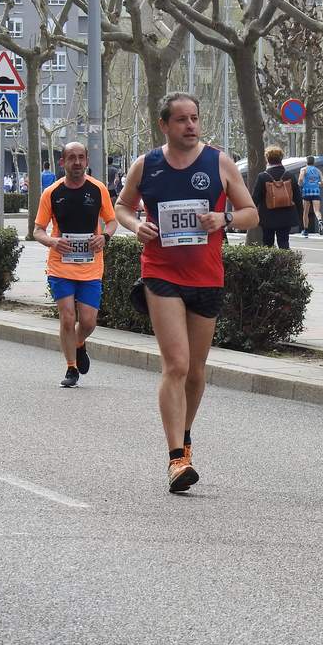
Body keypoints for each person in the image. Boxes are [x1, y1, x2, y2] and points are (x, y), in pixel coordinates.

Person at [114, 92, 258, 493]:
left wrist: (223, 217)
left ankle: (185, 436)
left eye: (194, 118)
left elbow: (251, 213)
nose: (190, 126)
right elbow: (122, 206)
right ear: (164, 124)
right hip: (161, 273)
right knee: (175, 365)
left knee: (195, 372)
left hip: (207, 276)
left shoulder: (219, 162)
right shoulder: (147, 165)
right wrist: (134, 225)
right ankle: (176, 458)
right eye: (181, 120)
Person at [32, 142, 118, 388]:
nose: (77, 162)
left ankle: (79, 343)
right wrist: (53, 242)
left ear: (87, 160)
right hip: (61, 265)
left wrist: (105, 237)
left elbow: (111, 222)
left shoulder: (98, 189)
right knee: (68, 318)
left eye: (81, 157)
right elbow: (37, 230)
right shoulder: (52, 192)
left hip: (91, 266)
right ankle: (71, 368)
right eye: (71, 158)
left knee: (88, 322)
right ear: (63, 162)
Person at [251, 145, 301, 248]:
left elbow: (255, 197)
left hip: (267, 216)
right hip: (286, 215)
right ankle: (286, 263)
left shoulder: (262, 176)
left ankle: (269, 263)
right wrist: (300, 216)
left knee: (267, 243)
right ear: (281, 158)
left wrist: (251, 212)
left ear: (267, 159)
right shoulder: (290, 176)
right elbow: (297, 197)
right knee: (284, 242)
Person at [298, 156, 323, 237]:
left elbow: (300, 179)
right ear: (314, 162)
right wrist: (317, 183)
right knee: (317, 211)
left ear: (306, 162)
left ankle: (306, 230)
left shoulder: (304, 169)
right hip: (316, 192)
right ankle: (320, 221)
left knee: (305, 212)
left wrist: (301, 184)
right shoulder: (318, 171)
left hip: (306, 192)